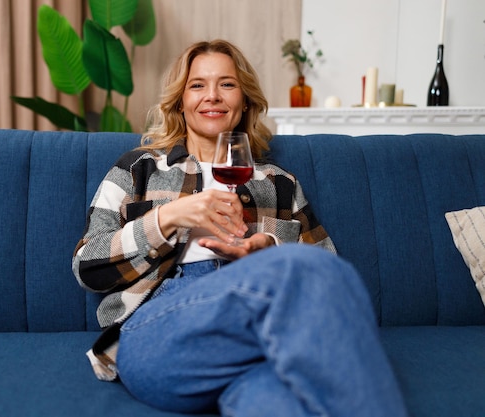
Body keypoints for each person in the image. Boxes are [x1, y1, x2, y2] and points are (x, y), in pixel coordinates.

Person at [72, 40, 407, 417]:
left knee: (274, 401)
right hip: (159, 331)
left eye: (227, 84)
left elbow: (327, 272)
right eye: (197, 85)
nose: (212, 96)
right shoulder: (138, 168)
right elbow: (88, 266)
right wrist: (168, 217)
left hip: (257, 339)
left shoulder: (278, 182)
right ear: (180, 101)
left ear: (245, 100)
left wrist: (267, 250)